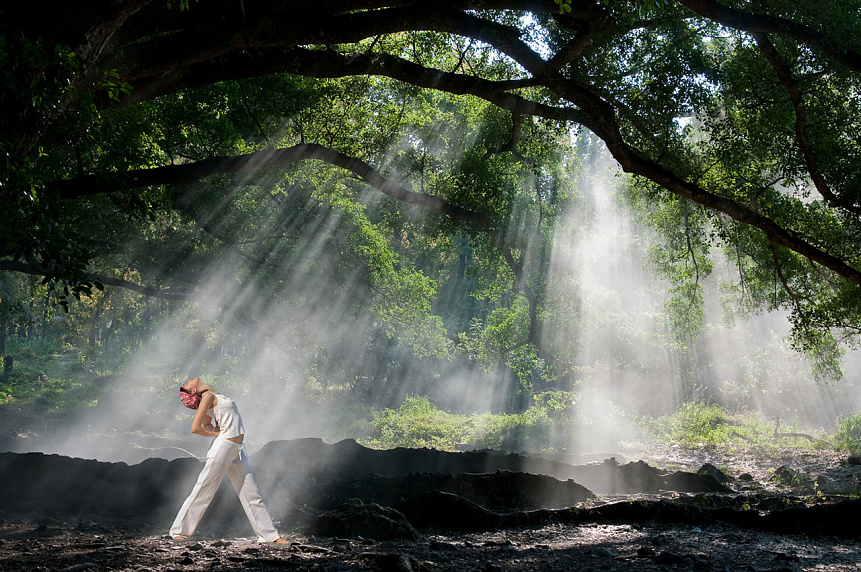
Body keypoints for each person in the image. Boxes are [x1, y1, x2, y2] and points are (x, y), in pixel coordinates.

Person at [169, 376, 289, 544]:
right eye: (187, 384)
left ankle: (270, 535)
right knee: (204, 488)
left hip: (237, 449)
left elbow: (208, 424)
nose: (189, 380)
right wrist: (218, 434)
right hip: (223, 447)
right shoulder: (207, 397)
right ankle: (179, 531)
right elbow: (196, 428)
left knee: (251, 493)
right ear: (193, 391)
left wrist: (216, 429)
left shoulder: (214, 395)